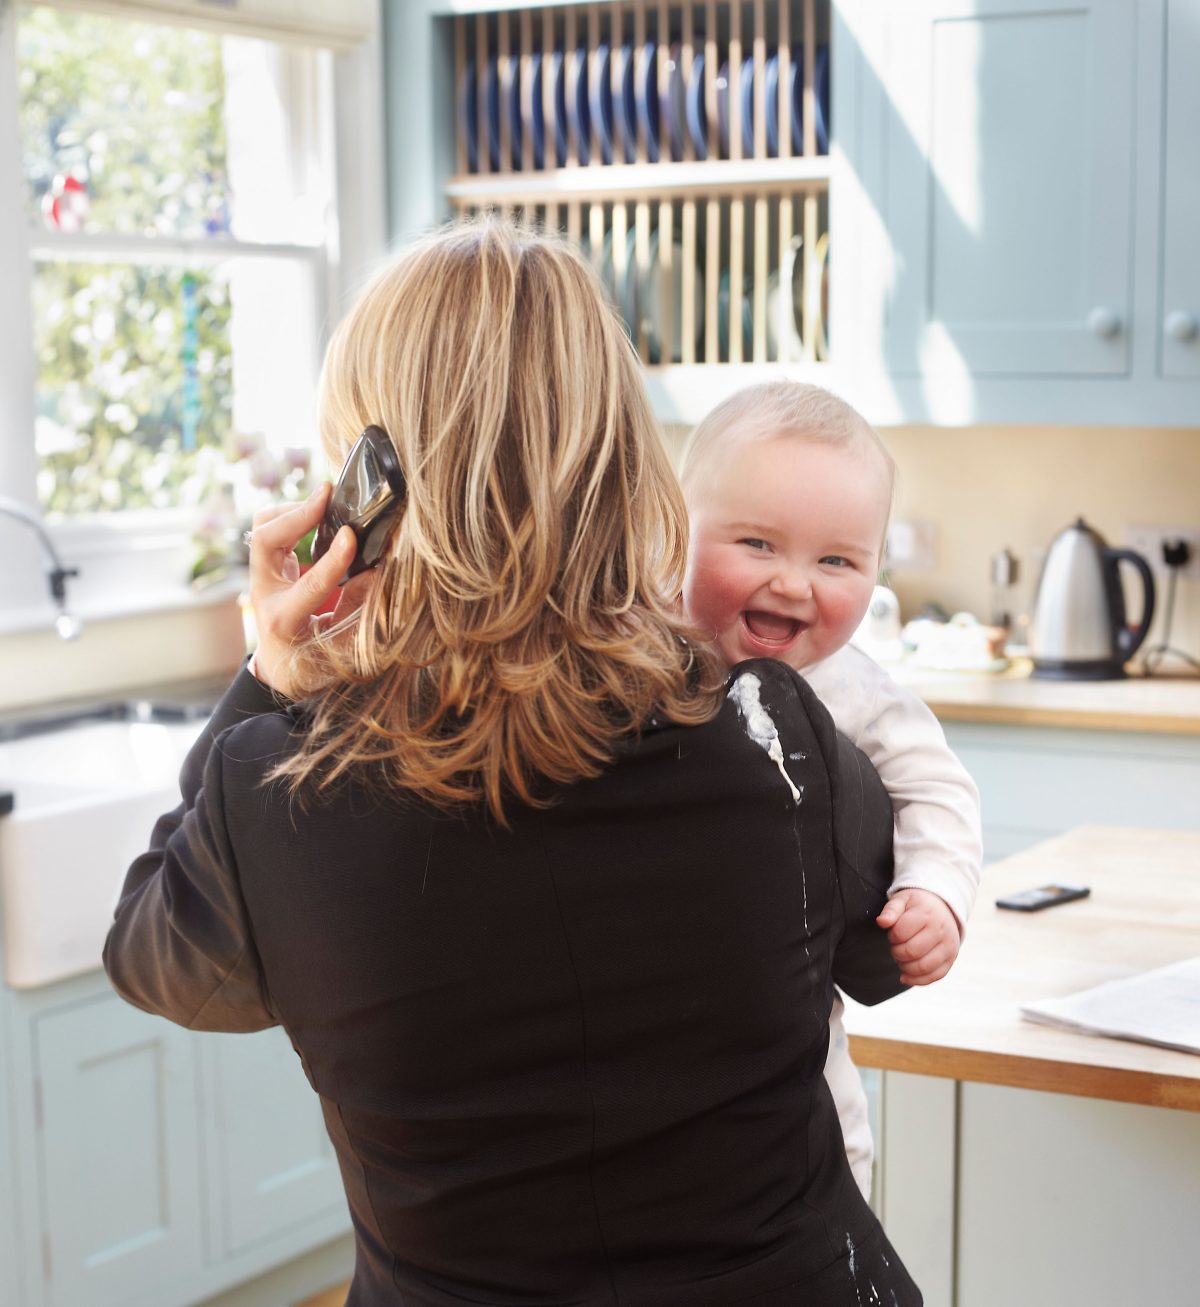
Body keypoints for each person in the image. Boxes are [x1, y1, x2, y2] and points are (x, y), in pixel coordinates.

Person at [104, 219, 922, 1306]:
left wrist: (270, 671)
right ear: (625, 459)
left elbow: (159, 963)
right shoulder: (774, 734)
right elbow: (880, 954)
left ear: (372, 493)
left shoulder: (272, 786)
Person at [680, 380, 983, 1198]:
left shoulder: (851, 687)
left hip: (796, 1050)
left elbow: (939, 789)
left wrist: (935, 892)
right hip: (663, 1038)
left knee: (822, 1154)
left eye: (837, 560)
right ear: (675, 532)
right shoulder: (635, 650)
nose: (794, 583)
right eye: (756, 543)